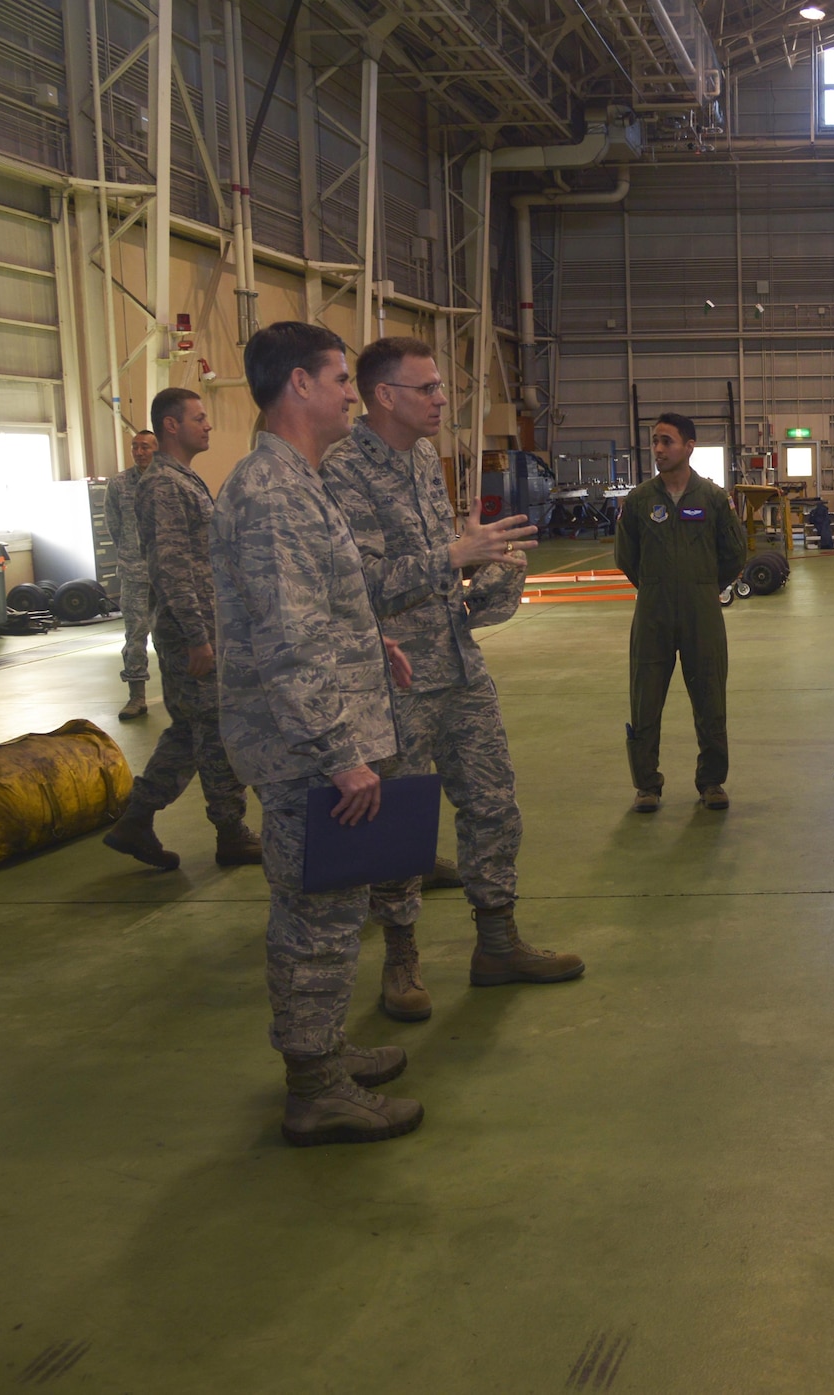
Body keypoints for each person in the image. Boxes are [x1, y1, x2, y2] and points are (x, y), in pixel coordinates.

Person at [324, 336, 583, 1022]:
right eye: (428, 388)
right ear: (386, 396)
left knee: (494, 801)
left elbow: (439, 568)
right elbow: (359, 587)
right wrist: (455, 554)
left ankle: (497, 943)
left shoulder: (420, 460)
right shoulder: (343, 471)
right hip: (396, 679)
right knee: (401, 820)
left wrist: (485, 568)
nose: (442, 399)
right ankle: (401, 956)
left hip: (458, 664)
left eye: (440, 386)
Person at [212, 320, 417, 1147]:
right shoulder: (273, 494)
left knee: (333, 908)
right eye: (338, 378)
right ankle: (315, 1087)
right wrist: (339, 754)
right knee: (315, 917)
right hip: (305, 750)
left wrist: (372, 640)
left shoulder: (299, 480)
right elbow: (289, 641)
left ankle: (324, 1050)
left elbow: (311, 608)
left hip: (312, 735)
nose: (349, 396)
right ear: (299, 383)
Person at [101, 390, 261, 871]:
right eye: (199, 417)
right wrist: (197, 636)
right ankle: (231, 832)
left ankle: (136, 820)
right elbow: (170, 566)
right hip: (190, 631)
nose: (208, 425)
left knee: (191, 730)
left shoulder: (179, 478)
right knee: (214, 729)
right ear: (171, 425)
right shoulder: (164, 485)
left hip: (199, 625)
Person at [615, 411, 747, 813]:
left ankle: (711, 781)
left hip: (701, 613)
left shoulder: (713, 499)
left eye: (667, 441)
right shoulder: (640, 500)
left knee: (710, 698)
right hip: (652, 614)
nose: (658, 449)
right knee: (645, 699)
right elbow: (626, 557)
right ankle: (647, 785)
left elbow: (735, 553)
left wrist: (702, 587)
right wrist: (655, 586)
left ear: (689, 447)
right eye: (655, 441)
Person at [109, 429, 159, 719]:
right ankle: (136, 697)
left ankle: (178, 693)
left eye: (145, 447)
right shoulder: (119, 484)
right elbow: (114, 525)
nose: (139, 452)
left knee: (171, 636)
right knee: (135, 635)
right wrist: (130, 554)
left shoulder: (166, 480)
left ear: (157, 449)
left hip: (165, 573)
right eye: (135, 447)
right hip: (134, 572)